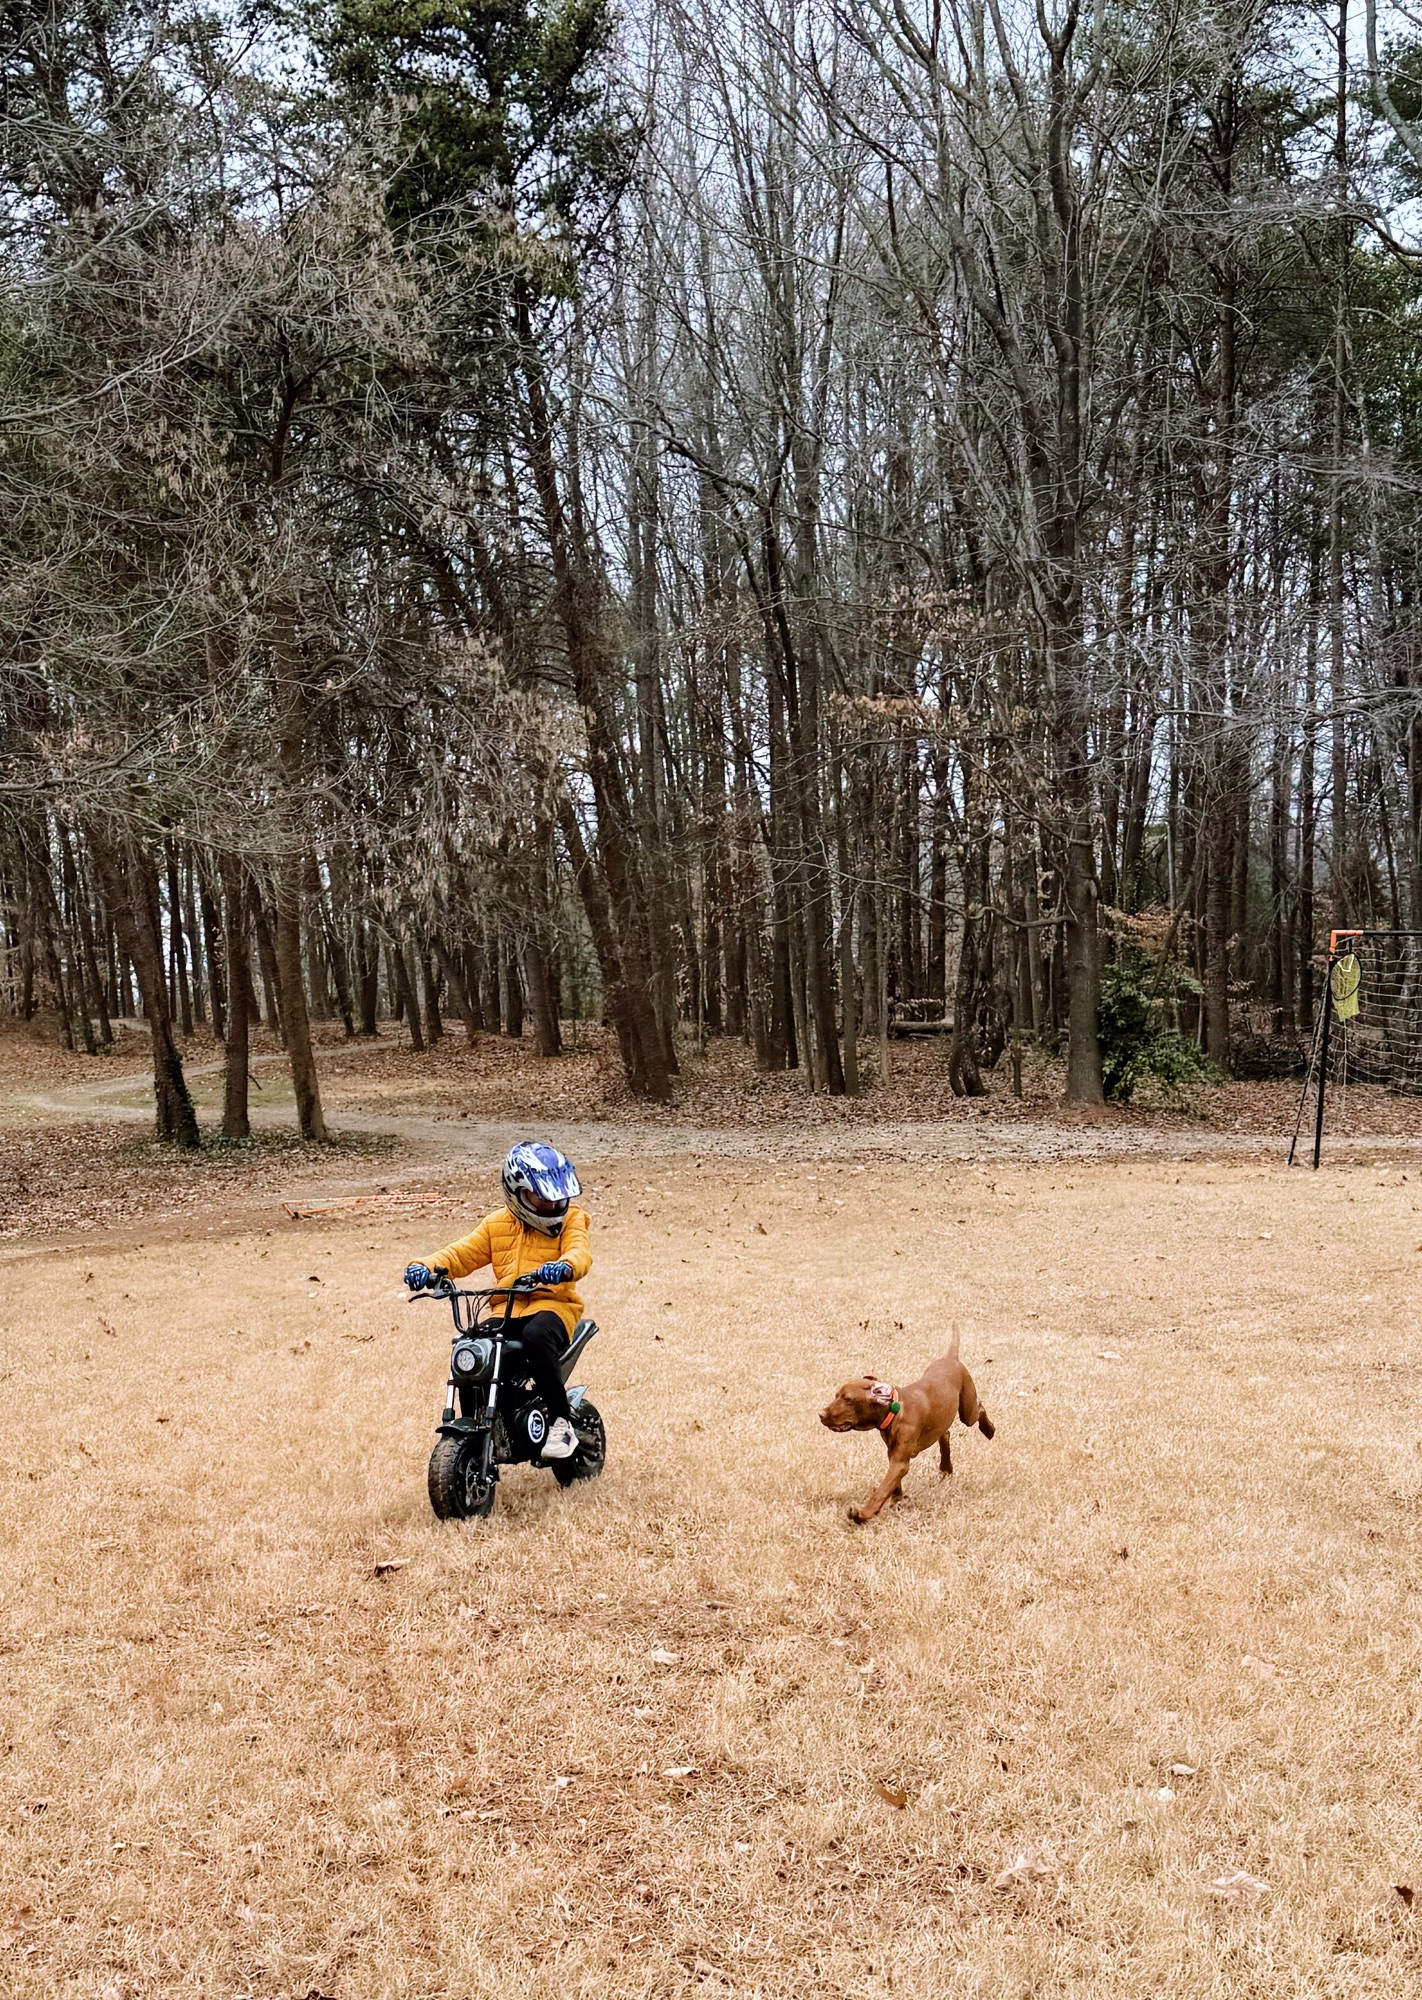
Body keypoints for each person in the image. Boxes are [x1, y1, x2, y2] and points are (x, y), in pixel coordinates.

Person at [404, 1142, 590, 1460]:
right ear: (516, 1193)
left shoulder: (571, 1219)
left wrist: (565, 1267)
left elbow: (579, 1252)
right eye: (542, 1197)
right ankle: (483, 1426)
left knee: (536, 1336)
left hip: (553, 1307)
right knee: (473, 1347)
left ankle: (561, 1422)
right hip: (507, 1310)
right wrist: (425, 1266)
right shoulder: (496, 1224)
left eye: (558, 1196)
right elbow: (460, 1253)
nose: (552, 1204)